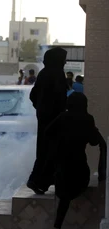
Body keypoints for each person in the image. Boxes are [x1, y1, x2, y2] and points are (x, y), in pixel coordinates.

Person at [44, 92, 106, 229]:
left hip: (61, 163)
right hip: (78, 165)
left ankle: (57, 227)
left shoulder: (63, 117)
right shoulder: (87, 119)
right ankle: (57, 228)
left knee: (64, 192)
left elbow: (48, 132)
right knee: (73, 188)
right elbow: (94, 142)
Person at [27, 47, 69, 194]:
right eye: (63, 58)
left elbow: (33, 95)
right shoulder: (57, 74)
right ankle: (39, 181)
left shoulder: (44, 73)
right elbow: (60, 97)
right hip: (54, 118)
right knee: (52, 150)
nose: (65, 61)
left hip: (44, 117)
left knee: (44, 149)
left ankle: (40, 182)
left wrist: (40, 108)